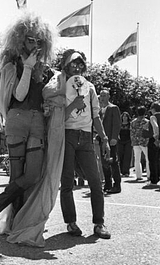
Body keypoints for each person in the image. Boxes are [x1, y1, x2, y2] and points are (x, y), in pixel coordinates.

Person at [0, 10, 65, 247]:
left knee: (33, 175)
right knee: (18, 177)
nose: (35, 44)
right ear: (20, 40)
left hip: (37, 121)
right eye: (30, 39)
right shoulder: (11, 66)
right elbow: (18, 95)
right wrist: (26, 68)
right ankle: (14, 225)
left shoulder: (46, 69)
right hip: (16, 119)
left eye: (39, 40)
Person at [60, 49, 111, 239]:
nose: (77, 67)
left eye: (80, 63)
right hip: (68, 135)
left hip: (87, 136)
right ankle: (71, 223)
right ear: (66, 66)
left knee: (96, 181)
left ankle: (99, 223)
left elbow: (95, 115)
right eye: (73, 63)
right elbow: (58, 117)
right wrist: (74, 105)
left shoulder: (90, 87)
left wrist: (104, 138)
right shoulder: (61, 85)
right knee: (67, 182)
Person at [99, 88, 121, 193]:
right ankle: (107, 184)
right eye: (101, 95)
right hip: (102, 139)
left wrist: (114, 137)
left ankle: (117, 185)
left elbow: (117, 124)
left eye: (104, 95)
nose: (102, 97)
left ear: (108, 96)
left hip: (111, 139)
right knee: (104, 162)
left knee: (113, 162)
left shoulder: (113, 108)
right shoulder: (99, 109)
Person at [142, 101, 160, 185]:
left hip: (155, 139)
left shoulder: (153, 117)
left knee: (152, 159)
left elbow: (155, 126)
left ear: (153, 109)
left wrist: (156, 137)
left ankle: (154, 179)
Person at [130, 106, 150, 181]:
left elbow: (131, 133)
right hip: (145, 142)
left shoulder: (133, 122)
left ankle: (138, 175)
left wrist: (133, 141)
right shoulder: (147, 122)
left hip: (135, 142)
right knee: (148, 159)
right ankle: (149, 175)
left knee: (137, 159)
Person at [118, 112, 132, 177]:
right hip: (120, 141)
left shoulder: (130, 124)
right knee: (120, 156)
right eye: (123, 116)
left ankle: (126, 171)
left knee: (127, 156)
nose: (124, 118)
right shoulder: (119, 124)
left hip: (128, 141)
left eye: (126, 116)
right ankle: (120, 171)